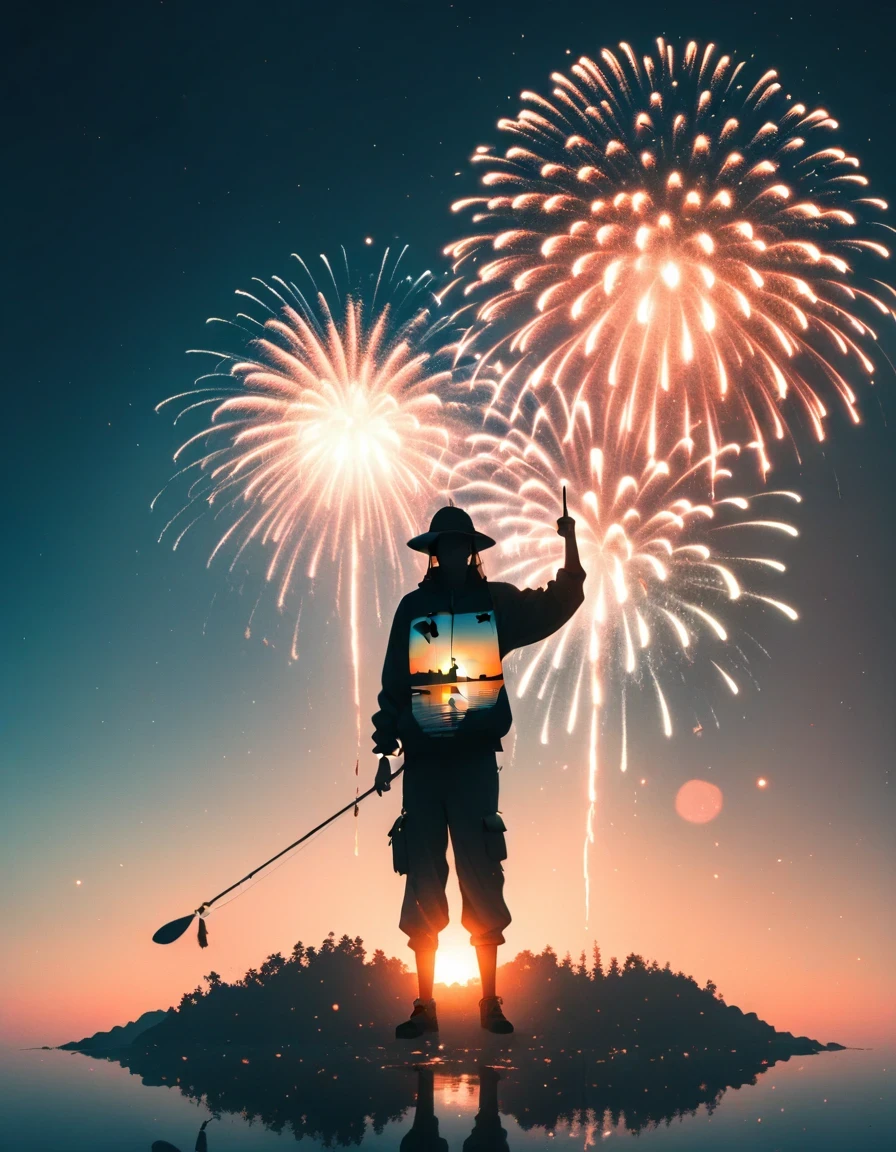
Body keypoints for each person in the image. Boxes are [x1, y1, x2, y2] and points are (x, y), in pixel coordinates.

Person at [371, 501, 586, 1039]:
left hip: (472, 767)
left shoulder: (496, 606)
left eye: (460, 545)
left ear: (471, 551)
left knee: (483, 876)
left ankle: (489, 1003)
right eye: (444, 546)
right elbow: (394, 685)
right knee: (423, 879)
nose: (452, 553)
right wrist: (383, 748)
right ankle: (426, 1006)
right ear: (434, 553)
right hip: (421, 767)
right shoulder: (412, 608)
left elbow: (561, 601)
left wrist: (570, 542)